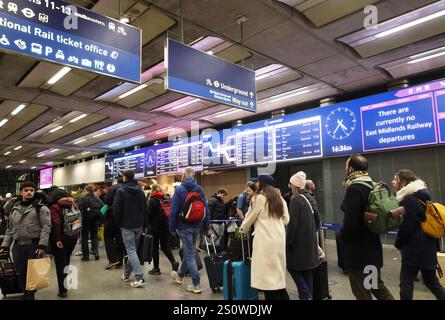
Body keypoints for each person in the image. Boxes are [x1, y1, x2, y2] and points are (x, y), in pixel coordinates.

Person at [340, 154, 394, 300]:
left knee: (362, 293)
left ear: (351, 168)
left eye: (346, 167)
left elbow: (350, 224)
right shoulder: (373, 185)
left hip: (358, 254)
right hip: (372, 250)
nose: (345, 169)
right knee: (376, 287)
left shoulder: (354, 188)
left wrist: (342, 237)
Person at [392, 170, 445, 300]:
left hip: (414, 247)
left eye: (395, 179)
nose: (392, 182)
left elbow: (407, 226)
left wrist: (398, 243)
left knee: (406, 283)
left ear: (403, 182)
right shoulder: (423, 195)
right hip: (427, 245)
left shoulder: (409, 199)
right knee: (430, 281)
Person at [240, 174, 290, 300]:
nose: (255, 184)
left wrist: (242, 230)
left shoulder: (259, 198)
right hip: (278, 238)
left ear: (261, 183)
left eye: (257, 182)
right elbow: (286, 219)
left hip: (265, 240)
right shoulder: (279, 198)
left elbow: (249, 218)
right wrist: (275, 224)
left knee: (268, 279)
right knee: (277, 275)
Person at [0, 182, 51, 300]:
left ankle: (30, 295)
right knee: (21, 273)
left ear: (34, 192)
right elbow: (10, 229)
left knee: (33, 273)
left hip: (33, 245)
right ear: (21, 192)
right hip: (18, 246)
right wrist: (5, 245)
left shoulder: (41, 208)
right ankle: (26, 292)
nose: (29, 192)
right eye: (26, 190)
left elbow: (46, 227)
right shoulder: (15, 208)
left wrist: (42, 245)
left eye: (31, 190)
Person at [169, 167, 211, 294]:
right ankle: (180, 276)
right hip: (196, 225)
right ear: (193, 176)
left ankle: (196, 284)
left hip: (184, 226)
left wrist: (171, 228)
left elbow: (174, 210)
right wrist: (207, 226)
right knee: (190, 250)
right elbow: (206, 210)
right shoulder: (199, 189)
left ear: (183, 176)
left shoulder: (180, 189)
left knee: (190, 254)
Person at [286, 171, 320, 300]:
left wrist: (288, 241)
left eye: (291, 185)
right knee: (307, 271)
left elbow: (292, 225)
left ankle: (306, 295)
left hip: (298, 244)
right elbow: (317, 219)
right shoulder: (310, 198)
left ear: (295, 185)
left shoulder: (296, 200)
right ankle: (308, 295)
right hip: (310, 242)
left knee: (292, 268)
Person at [113, 170, 147, 288]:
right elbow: (144, 208)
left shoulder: (121, 191)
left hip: (126, 225)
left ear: (125, 178)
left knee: (131, 251)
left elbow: (117, 210)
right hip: (139, 225)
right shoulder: (140, 191)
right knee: (133, 251)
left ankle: (139, 277)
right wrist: (144, 223)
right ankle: (126, 274)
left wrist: (118, 223)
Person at [48, 188, 80, 298]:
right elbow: (79, 220)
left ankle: (63, 290)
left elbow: (56, 224)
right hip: (73, 237)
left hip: (60, 239)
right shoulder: (73, 204)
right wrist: (76, 235)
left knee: (60, 264)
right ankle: (65, 286)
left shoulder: (55, 207)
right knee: (66, 261)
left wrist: (57, 240)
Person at [146, 184, 179, 275]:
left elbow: (149, 215)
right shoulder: (166, 199)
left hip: (155, 228)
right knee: (165, 246)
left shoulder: (152, 200)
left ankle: (156, 269)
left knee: (155, 248)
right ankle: (173, 262)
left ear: (152, 191)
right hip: (165, 226)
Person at [103, 175, 124, 270]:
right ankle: (120, 260)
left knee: (108, 237)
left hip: (111, 216)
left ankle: (112, 259)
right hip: (123, 217)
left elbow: (107, 200)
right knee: (120, 238)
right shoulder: (128, 188)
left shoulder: (113, 188)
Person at [78, 184, 103, 261]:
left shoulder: (83, 198)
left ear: (87, 190)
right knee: (94, 236)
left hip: (86, 220)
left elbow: (80, 208)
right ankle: (96, 253)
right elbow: (103, 206)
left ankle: (86, 256)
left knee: (85, 238)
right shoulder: (97, 199)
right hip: (95, 220)